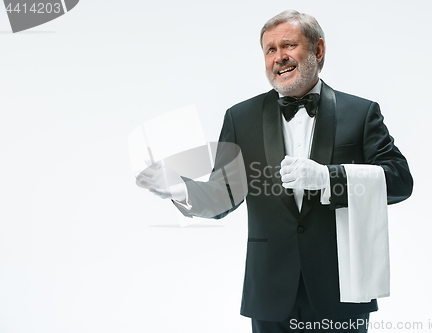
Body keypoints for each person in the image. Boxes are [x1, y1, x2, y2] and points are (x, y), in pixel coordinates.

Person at [139, 10, 413, 333]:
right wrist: (180, 189)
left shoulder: (361, 113)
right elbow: (223, 195)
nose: (279, 58)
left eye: (288, 46)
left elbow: (399, 180)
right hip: (270, 294)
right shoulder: (241, 118)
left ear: (318, 50)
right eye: (270, 50)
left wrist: (329, 178)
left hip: (340, 294)